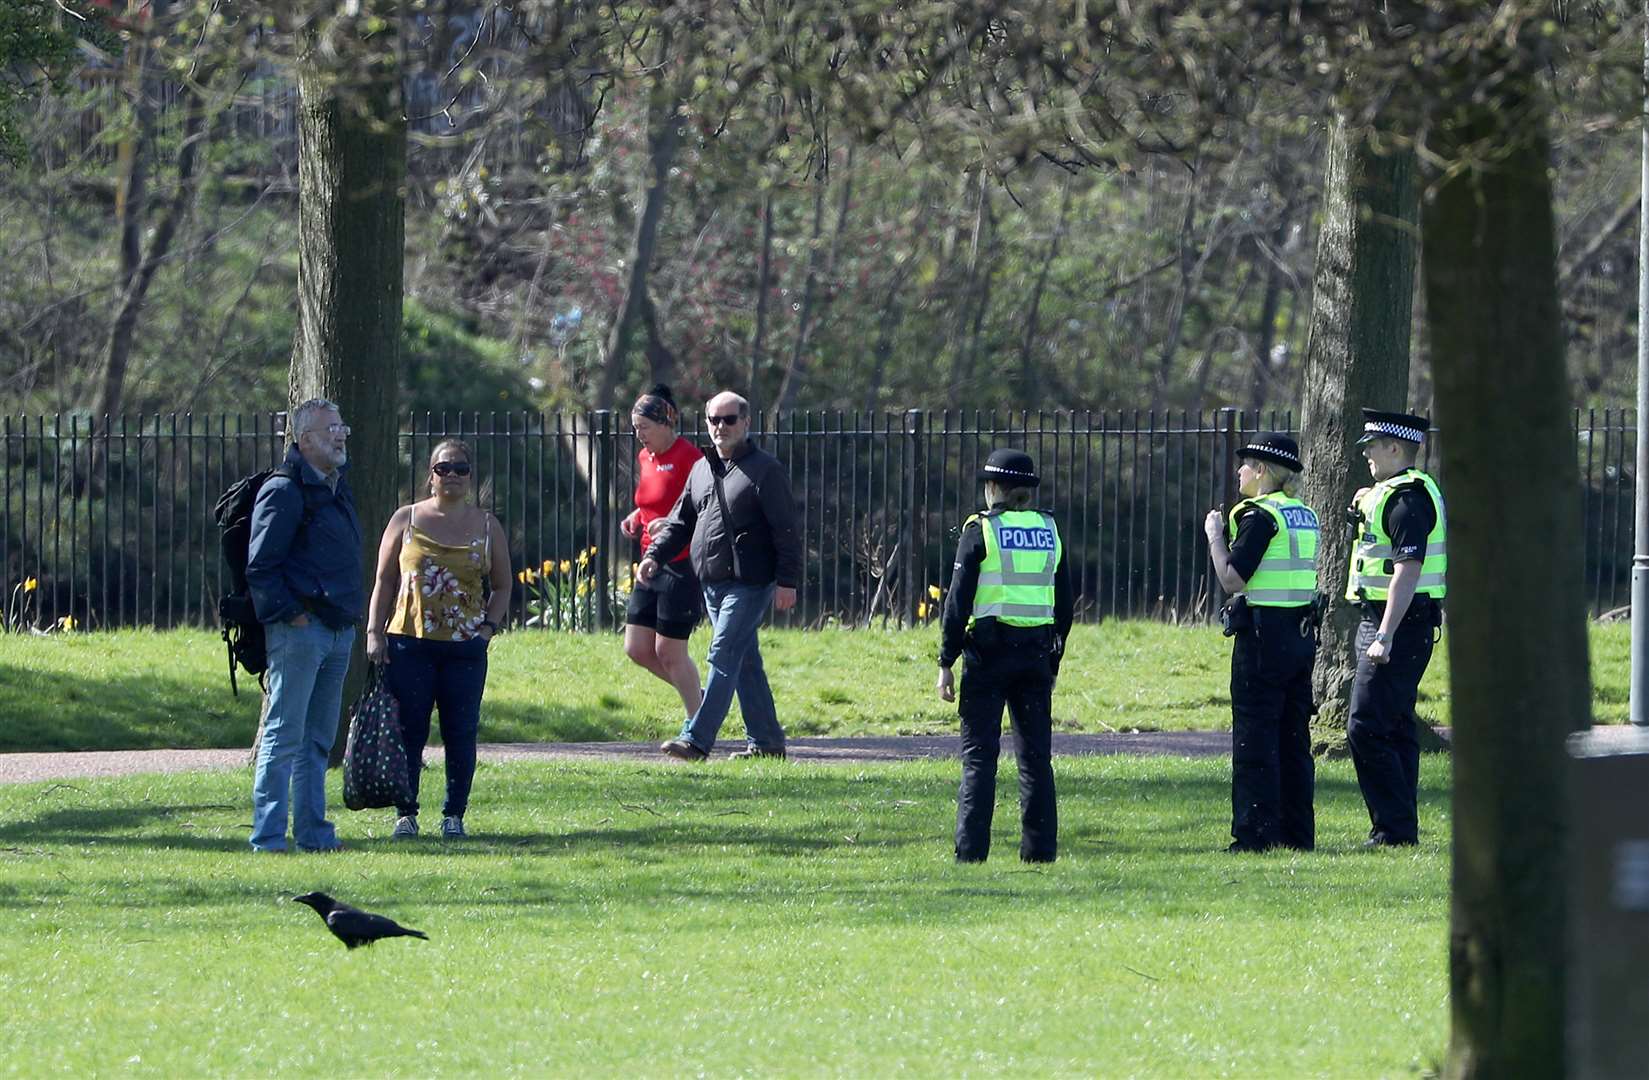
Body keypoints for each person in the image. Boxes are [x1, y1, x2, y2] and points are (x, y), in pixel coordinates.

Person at [638, 391, 800, 761]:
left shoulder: (765, 470)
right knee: (744, 662)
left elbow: (786, 530)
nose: (720, 427)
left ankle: (696, 739)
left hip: (751, 583)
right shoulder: (702, 468)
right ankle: (767, 742)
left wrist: (787, 581)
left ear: (746, 423)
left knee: (723, 653)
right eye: (714, 420)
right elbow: (680, 522)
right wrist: (654, 555)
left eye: (729, 420)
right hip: (712, 583)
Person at [364, 439, 511, 840]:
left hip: (465, 647)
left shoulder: (486, 526)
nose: (452, 476)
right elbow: (384, 580)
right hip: (409, 640)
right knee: (410, 730)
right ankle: (405, 813)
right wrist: (374, 632)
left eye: (460, 469)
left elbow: (502, 585)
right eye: (444, 468)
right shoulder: (405, 519)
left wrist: (486, 630)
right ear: (430, 474)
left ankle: (453, 816)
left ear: (470, 476)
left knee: (460, 732)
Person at [935, 449, 1072, 864]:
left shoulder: (981, 530)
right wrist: (1054, 659)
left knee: (979, 758)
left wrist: (945, 660)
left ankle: (971, 854)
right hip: (1035, 653)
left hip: (988, 654)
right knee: (1035, 760)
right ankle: (1040, 852)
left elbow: (958, 602)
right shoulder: (1049, 529)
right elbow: (1064, 605)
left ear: (993, 488)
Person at [246, 398, 362, 853]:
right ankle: (269, 838)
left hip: (337, 630)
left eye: (342, 427)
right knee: (284, 734)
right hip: (300, 631)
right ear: (305, 439)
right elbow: (261, 567)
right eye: (331, 428)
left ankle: (314, 834)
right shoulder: (283, 490)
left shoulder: (337, 487)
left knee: (317, 740)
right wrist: (293, 614)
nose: (341, 436)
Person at [1202, 433, 1318, 853]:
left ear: (1263, 470)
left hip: (1263, 640)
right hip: (1300, 637)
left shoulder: (1259, 516)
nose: (1239, 471)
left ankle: (1254, 836)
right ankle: (1298, 835)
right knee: (1293, 740)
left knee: (1255, 739)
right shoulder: (1303, 514)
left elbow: (1233, 578)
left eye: (1246, 464)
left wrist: (1215, 535)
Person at [1343, 408, 1446, 848]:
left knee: (1364, 725)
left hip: (1398, 625)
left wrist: (1384, 634)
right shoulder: (1395, 493)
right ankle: (1400, 830)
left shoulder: (1408, 501)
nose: (1365, 454)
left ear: (1394, 448)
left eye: (1371, 447)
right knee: (1398, 725)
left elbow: (1407, 569)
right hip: (1397, 621)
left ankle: (1391, 829)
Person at [620, 385, 704, 727]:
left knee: (669, 651)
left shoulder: (691, 457)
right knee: (637, 648)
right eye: (635, 428)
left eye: (644, 428)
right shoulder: (645, 458)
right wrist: (637, 516)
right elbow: (651, 500)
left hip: (681, 563)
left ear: (666, 423)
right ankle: (704, 700)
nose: (639, 435)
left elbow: (702, 508)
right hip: (648, 562)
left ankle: (698, 721)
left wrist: (669, 526)